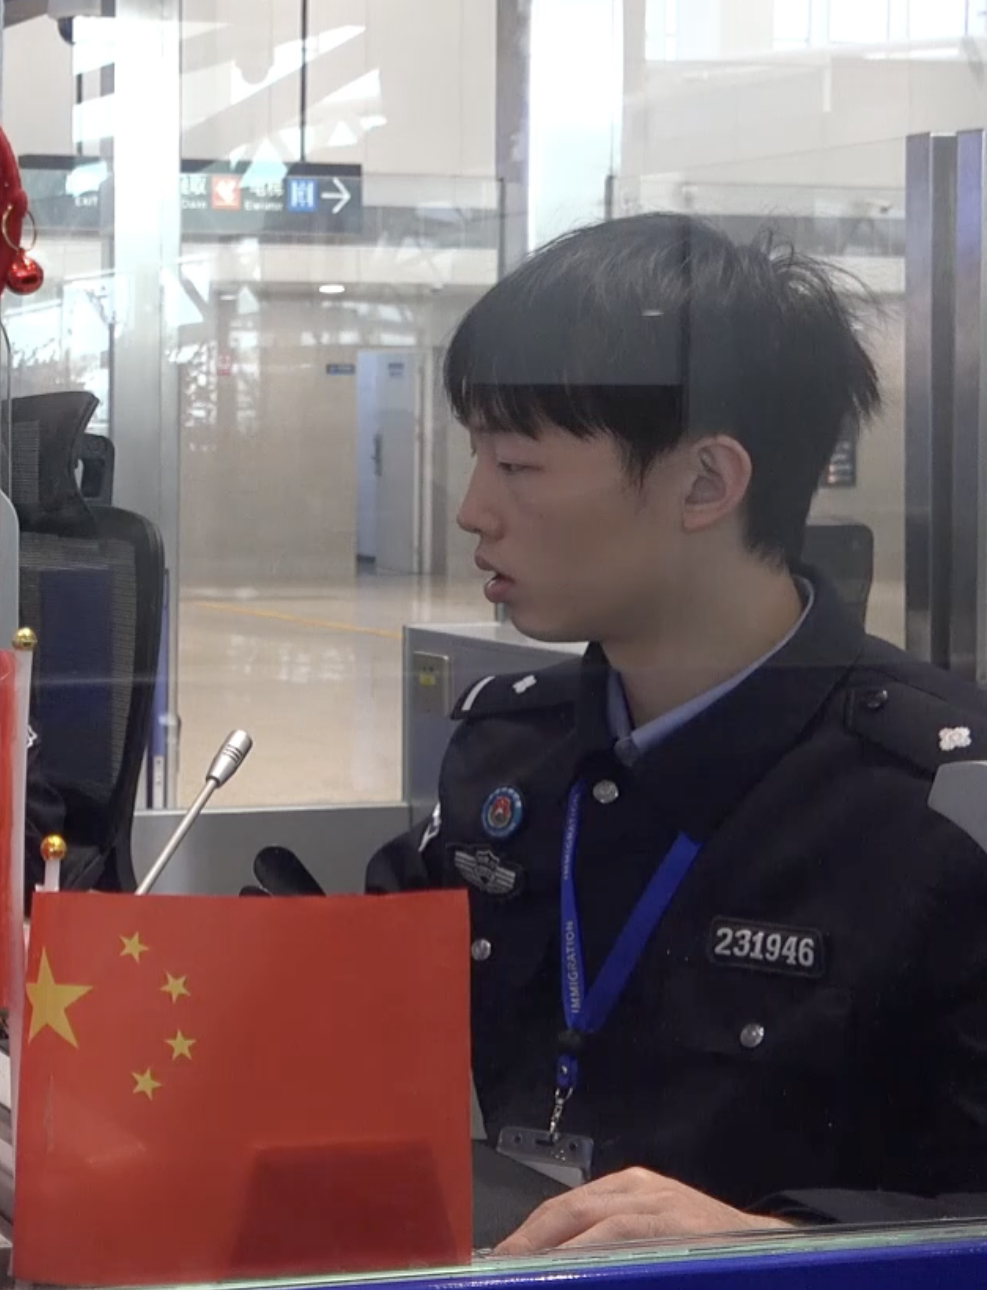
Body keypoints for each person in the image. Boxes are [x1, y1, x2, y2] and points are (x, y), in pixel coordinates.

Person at [361, 214, 987, 1251]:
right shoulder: (510, 756)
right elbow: (341, 987)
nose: (473, 509)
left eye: (517, 464)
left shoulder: (938, 803)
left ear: (706, 482)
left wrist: (775, 1243)